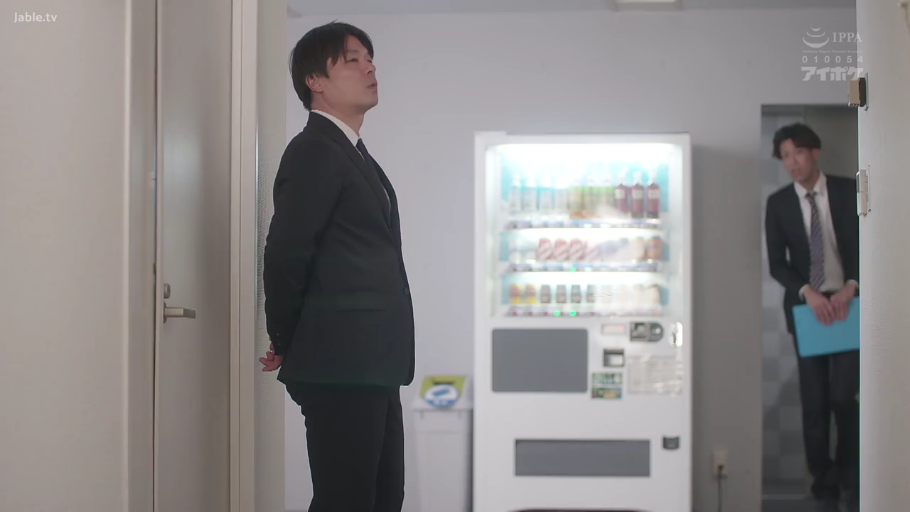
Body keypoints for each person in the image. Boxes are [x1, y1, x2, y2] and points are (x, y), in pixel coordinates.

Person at [259, 21, 415, 512]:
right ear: (315, 81)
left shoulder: (351, 153)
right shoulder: (314, 151)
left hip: (370, 362)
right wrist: (284, 337)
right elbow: (286, 252)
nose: (369, 67)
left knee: (383, 497)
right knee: (346, 500)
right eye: (352, 60)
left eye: (370, 58)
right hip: (340, 362)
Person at [764, 123, 859, 512]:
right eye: (785, 156)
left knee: (845, 398)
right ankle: (824, 486)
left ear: (814, 152)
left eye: (798, 153)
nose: (792, 163)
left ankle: (852, 478)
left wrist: (853, 285)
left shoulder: (847, 190)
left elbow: (869, 243)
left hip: (850, 305)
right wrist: (809, 292)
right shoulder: (778, 203)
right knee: (815, 403)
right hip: (809, 311)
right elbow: (777, 264)